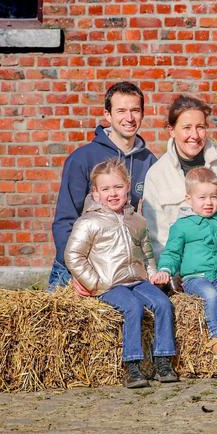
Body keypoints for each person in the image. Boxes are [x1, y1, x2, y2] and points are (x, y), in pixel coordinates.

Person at [65, 159, 178, 389]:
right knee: (133, 308)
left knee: (164, 303)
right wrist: (94, 283)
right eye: (105, 189)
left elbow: (147, 253)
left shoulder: (137, 220)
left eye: (117, 187)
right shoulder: (88, 222)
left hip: (137, 280)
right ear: (95, 194)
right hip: (110, 285)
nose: (113, 194)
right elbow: (73, 255)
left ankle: (163, 360)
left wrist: (153, 274)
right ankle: (133, 366)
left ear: (128, 187)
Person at [50, 82, 157, 290]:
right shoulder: (82, 158)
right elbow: (65, 220)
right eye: (121, 111)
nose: (129, 118)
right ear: (107, 115)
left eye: (135, 110)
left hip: (123, 276)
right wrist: (78, 274)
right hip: (81, 272)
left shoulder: (150, 162)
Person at [142, 95, 217, 262]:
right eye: (186, 128)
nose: (194, 135)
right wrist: (174, 274)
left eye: (200, 127)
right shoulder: (157, 175)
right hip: (183, 277)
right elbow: (157, 235)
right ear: (171, 130)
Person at [155, 167, 217, 362]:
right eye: (202, 198)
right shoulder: (182, 226)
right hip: (195, 278)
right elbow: (172, 252)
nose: (209, 202)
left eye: (213, 197)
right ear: (188, 199)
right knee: (210, 294)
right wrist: (165, 269)